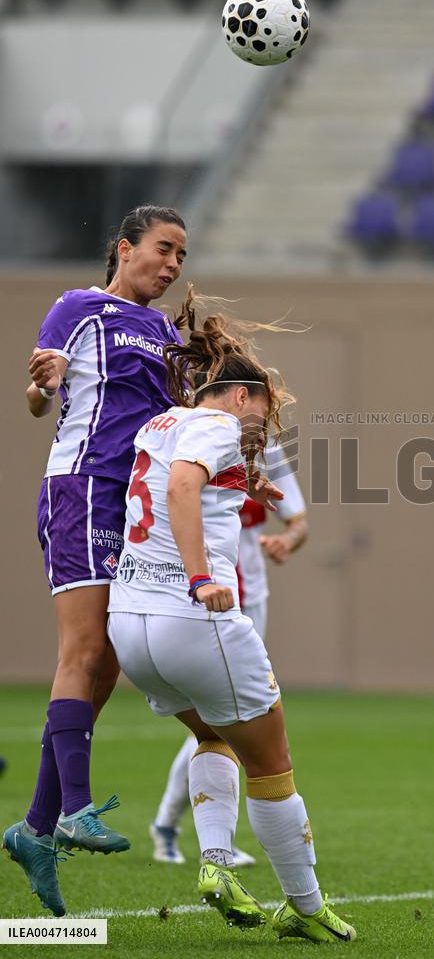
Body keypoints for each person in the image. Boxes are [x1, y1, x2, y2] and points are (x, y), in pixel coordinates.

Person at [107, 301, 356, 943]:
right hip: (192, 618)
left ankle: (217, 867)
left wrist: (250, 486)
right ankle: (306, 906)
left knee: (212, 738)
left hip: (129, 622)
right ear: (240, 394)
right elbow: (184, 487)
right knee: (272, 765)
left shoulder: (160, 422)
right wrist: (200, 577)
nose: (263, 424)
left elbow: (167, 485)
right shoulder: (218, 427)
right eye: (262, 409)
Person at [2, 205, 188, 918]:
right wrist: (42, 382)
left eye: (180, 256)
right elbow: (37, 396)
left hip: (132, 506)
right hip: (82, 489)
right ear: (124, 249)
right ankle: (74, 808)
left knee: (109, 665)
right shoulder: (80, 308)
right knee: (83, 648)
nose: (171, 266)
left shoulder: (167, 331)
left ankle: (36, 829)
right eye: (162, 249)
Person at [150, 441, 308, 866]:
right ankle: (179, 828)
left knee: (229, 723)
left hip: (249, 600)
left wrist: (287, 542)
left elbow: (298, 522)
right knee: (229, 724)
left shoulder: (267, 450)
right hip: (202, 595)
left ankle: (176, 827)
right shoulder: (191, 438)